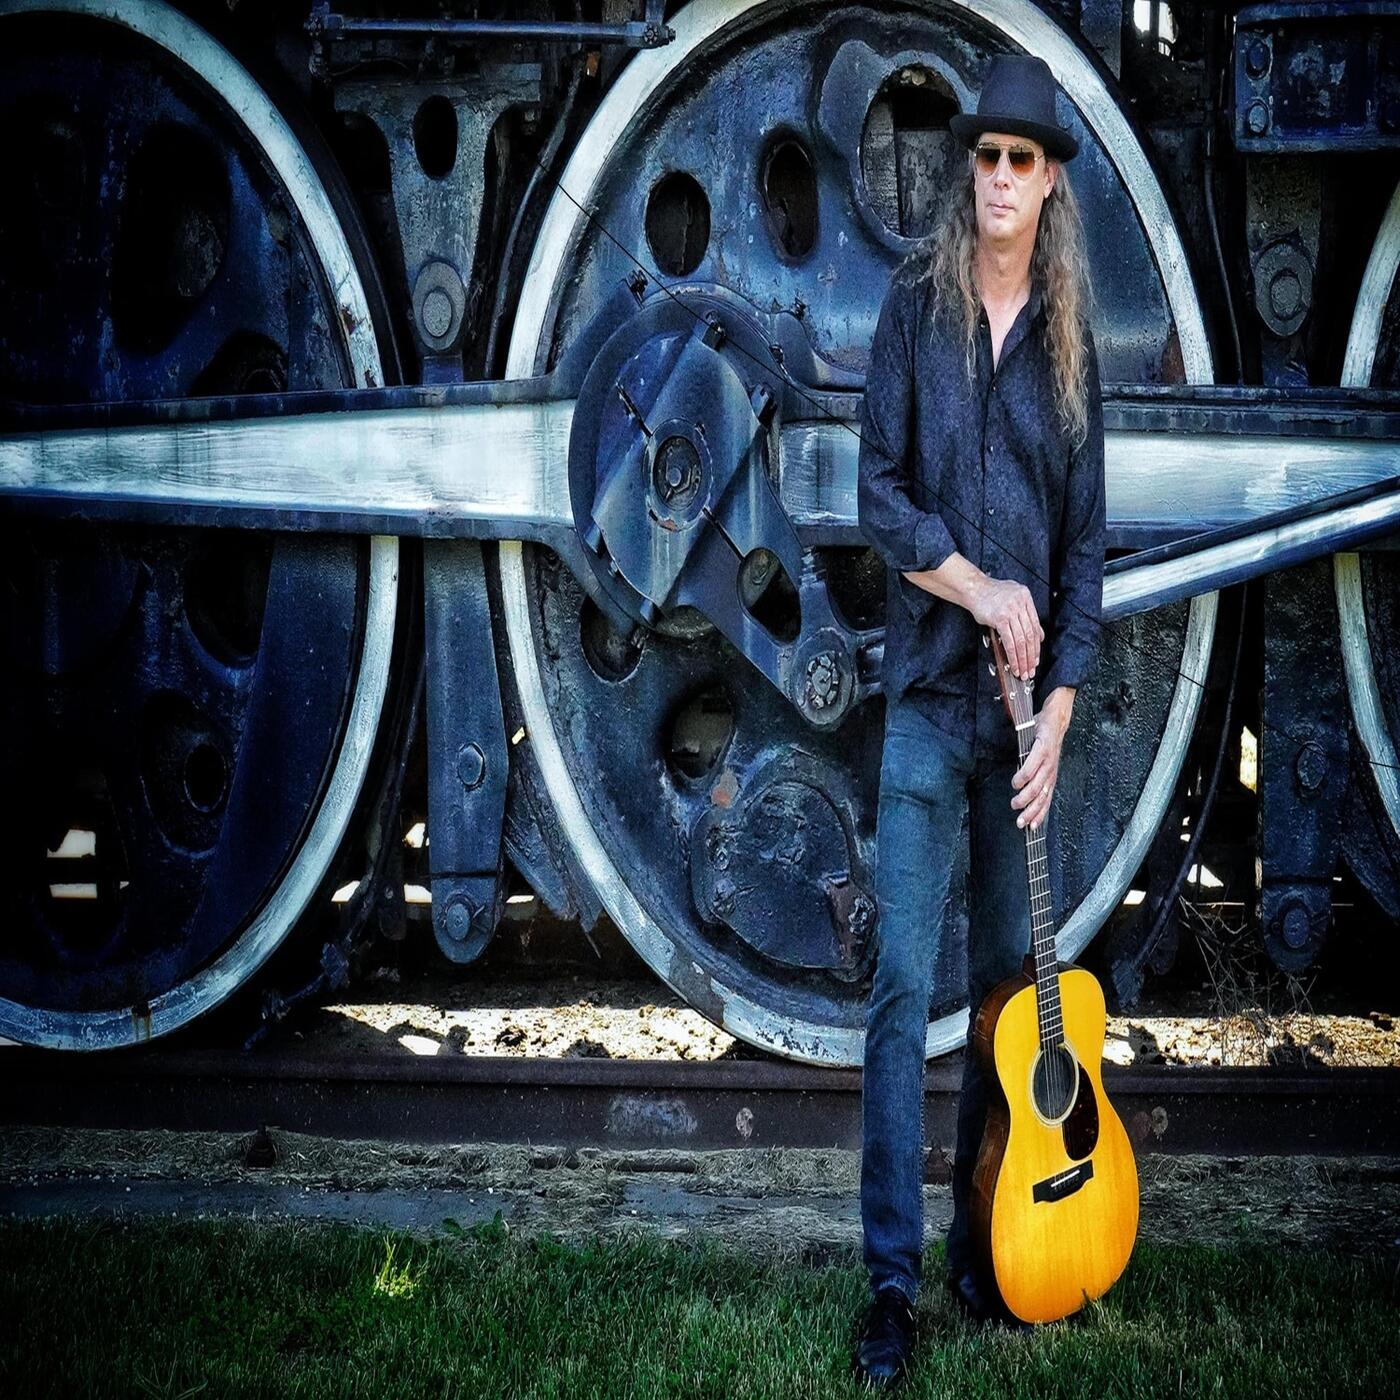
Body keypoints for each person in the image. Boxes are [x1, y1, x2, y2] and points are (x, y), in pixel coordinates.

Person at [850, 53, 1107, 1390]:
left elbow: (1087, 557)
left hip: (1021, 743)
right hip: (929, 708)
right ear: (971, 171)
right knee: (902, 992)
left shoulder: (1069, 342)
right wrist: (977, 586)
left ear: (1050, 181)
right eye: (986, 157)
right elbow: (877, 494)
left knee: (1012, 1004)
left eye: (1023, 160)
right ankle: (891, 1283)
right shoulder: (916, 306)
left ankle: (983, 1244)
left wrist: (1058, 717)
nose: (1001, 178)